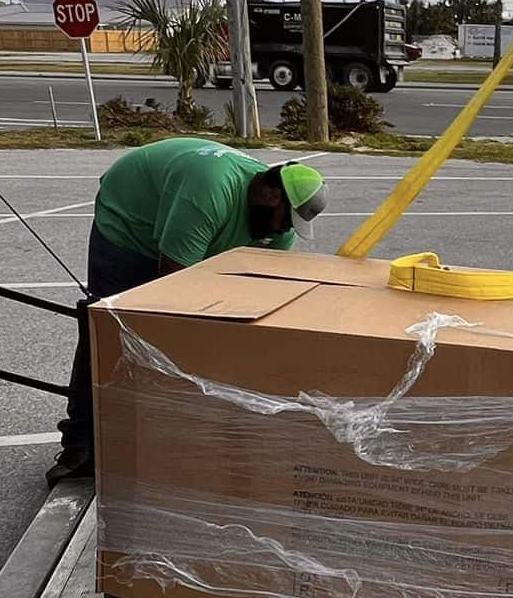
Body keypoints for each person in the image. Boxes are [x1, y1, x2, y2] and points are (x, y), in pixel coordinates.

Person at [47, 138, 327, 484]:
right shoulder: (210, 190)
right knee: (111, 330)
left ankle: (160, 441)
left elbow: (261, 300)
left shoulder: (274, 229)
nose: (285, 230)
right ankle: (82, 444)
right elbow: (173, 284)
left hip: (188, 230)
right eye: (287, 220)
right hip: (132, 224)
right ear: (272, 197)